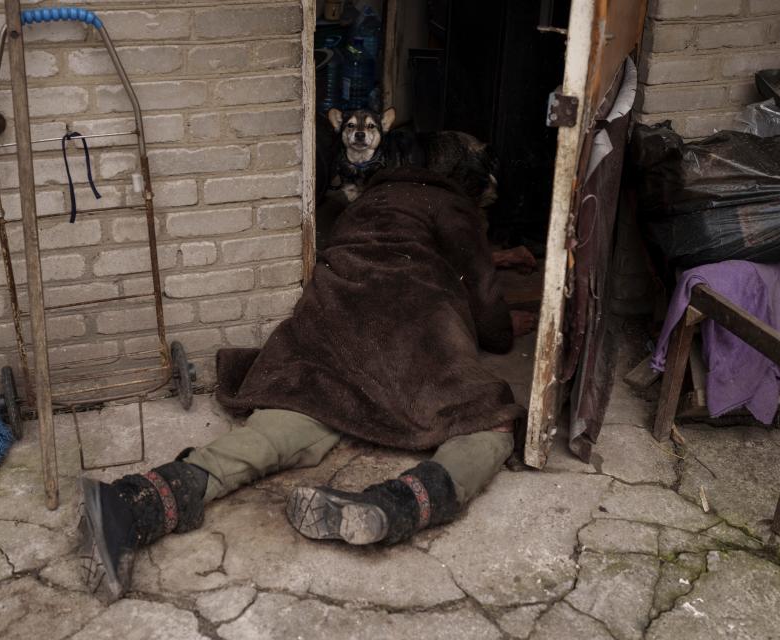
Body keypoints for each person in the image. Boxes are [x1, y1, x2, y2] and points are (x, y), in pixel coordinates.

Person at [78, 167, 539, 600]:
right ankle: (396, 505)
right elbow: (484, 298)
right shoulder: (452, 205)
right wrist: (504, 326)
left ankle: (132, 503)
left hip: (329, 319)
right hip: (412, 324)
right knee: (488, 417)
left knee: (297, 414)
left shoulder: (362, 202)